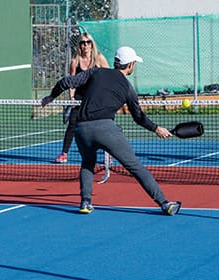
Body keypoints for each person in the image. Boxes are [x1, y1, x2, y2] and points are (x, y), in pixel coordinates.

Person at [42, 46, 181, 216]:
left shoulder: (95, 72)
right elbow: (138, 117)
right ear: (130, 65)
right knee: (135, 167)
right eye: (134, 63)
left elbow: (65, 82)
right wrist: (156, 128)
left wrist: (51, 97)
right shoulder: (128, 88)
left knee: (87, 163)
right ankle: (165, 204)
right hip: (106, 130)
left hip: (81, 129)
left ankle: (85, 202)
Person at [55, 33, 109, 163]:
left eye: (88, 42)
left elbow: (109, 76)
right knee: (72, 125)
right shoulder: (75, 61)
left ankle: (108, 153)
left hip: (96, 98)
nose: (85, 45)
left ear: (92, 44)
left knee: (102, 125)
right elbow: (71, 82)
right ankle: (64, 153)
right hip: (80, 98)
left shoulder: (99, 58)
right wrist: (72, 97)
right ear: (79, 45)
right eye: (82, 43)